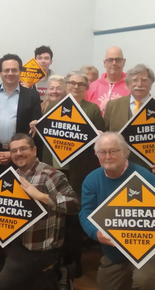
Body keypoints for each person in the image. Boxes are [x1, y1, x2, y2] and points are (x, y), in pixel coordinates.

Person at [0, 133, 79, 290]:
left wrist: (41, 196)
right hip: (19, 239)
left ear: (34, 150)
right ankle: (2, 264)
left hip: (38, 247)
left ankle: (53, 275)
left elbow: (75, 204)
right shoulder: (13, 176)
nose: (18, 154)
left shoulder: (51, 175)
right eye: (14, 151)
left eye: (23, 149)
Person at [34, 71, 105, 276]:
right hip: (53, 169)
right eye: (72, 83)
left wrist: (99, 136)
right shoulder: (53, 106)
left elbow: (99, 140)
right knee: (54, 213)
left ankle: (73, 259)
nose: (75, 87)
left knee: (73, 215)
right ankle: (55, 257)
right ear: (66, 86)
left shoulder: (91, 109)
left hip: (77, 170)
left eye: (81, 84)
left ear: (87, 87)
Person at [80, 132, 155, 290]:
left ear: (125, 152)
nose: (108, 156)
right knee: (106, 283)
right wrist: (95, 232)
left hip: (148, 248)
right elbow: (86, 212)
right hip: (115, 249)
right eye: (102, 152)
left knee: (144, 280)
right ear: (96, 155)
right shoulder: (92, 179)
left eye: (113, 151)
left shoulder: (146, 177)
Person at [0, 54, 41, 185]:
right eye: (6, 70)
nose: (10, 73)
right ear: (0, 73)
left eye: (14, 70)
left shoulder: (32, 96)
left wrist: (13, 153)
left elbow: (34, 130)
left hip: (21, 159)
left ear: (20, 71)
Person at [104, 64, 155, 176]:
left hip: (153, 172)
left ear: (151, 84)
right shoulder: (112, 106)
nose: (139, 84)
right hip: (119, 171)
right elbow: (105, 137)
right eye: (135, 80)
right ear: (128, 84)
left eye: (144, 80)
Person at [85, 46, 129, 114]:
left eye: (118, 60)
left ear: (124, 62)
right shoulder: (92, 87)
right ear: (104, 63)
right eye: (110, 60)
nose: (114, 63)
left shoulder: (132, 85)